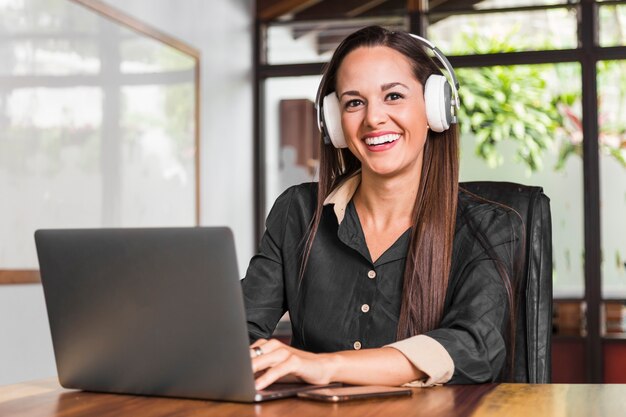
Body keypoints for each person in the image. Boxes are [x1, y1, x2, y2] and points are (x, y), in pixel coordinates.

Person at [242, 25, 522, 390]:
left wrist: (326, 366)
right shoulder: (298, 212)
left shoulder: (489, 228)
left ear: (435, 108)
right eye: (354, 102)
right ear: (335, 123)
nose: (373, 118)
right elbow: (240, 329)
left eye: (393, 96)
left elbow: (474, 346)